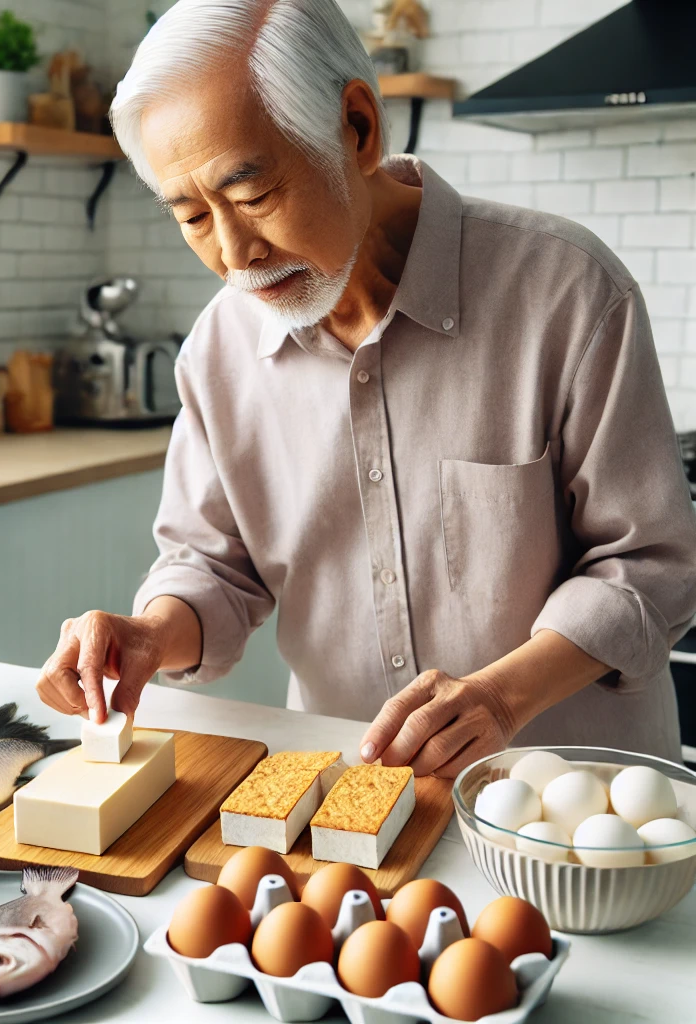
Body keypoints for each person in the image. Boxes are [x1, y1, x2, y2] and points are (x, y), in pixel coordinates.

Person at [36, 0, 696, 773]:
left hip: (571, 804)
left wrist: (501, 698)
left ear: (356, 128)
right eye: (191, 215)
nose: (233, 252)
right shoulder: (220, 348)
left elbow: (651, 566)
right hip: (345, 795)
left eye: (251, 197)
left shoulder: (567, 291)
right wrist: (150, 633)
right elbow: (213, 568)